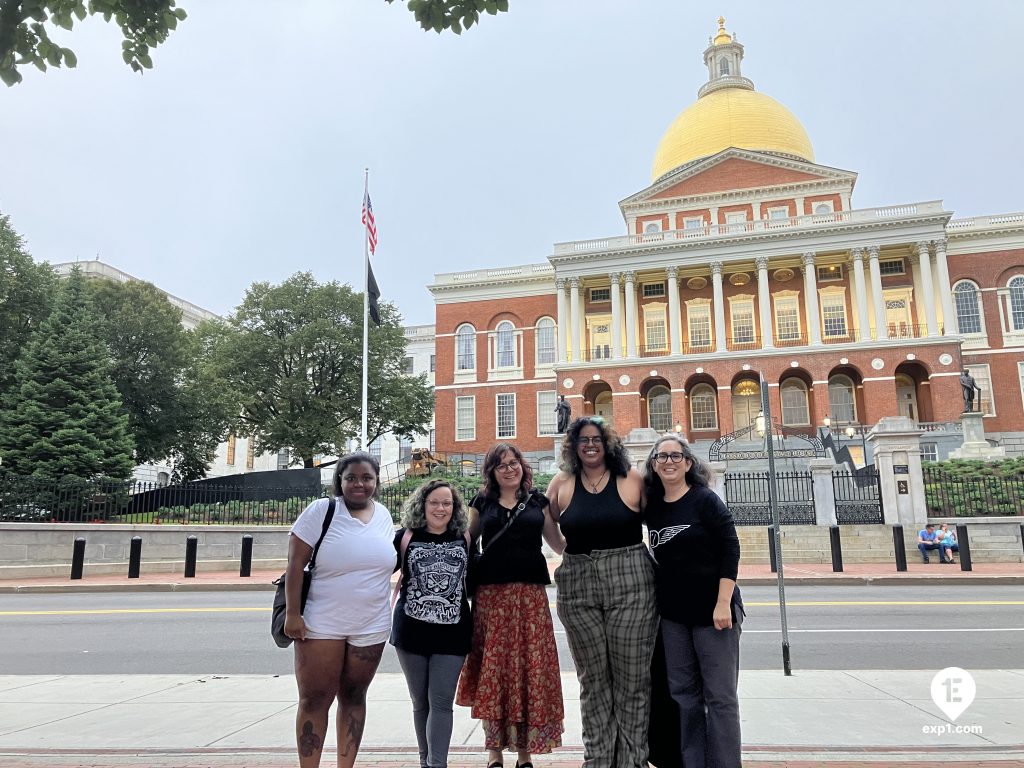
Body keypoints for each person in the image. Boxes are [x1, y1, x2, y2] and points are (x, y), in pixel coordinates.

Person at [547, 416, 658, 768]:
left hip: (630, 580)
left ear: (607, 443)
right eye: (582, 440)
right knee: (593, 680)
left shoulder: (631, 479)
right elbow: (548, 523)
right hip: (578, 583)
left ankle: (632, 761)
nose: (590, 445)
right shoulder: (562, 482)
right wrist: (566, 552)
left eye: (596, 439)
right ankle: (597, 759)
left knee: (631, 679)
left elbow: (659, 523)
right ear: (573, 446)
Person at [284, 451, 396, 768]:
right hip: (321, 624)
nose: (359, 484)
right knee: (315, 699)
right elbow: (295, 566)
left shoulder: (384, 516)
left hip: (371, 625)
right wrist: (293, 614)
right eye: (351, 478)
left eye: (366, 478)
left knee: (355, 696)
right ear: (340, 481)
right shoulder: (321, 511)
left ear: (376, 481)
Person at [456, 443, 565, 768]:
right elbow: (466, 541)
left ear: (522, 466)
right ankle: (493, 750)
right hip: (491, 599)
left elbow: (557, 542)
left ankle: (524, 752)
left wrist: (591, 552)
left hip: (529, 597)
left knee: (527, 671)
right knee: (495, 672)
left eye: (514, 462)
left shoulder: (537, 502)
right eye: (501, 464)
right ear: (492, 470)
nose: (509, 468)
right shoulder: (482, 502)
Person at [643, 435, 743, 768]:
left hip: (713, 613)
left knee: (720, 698)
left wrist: (723, 602)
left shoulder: (704, 500)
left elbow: (731, 548)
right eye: (661, 457)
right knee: (684, 697)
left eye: (676, 456)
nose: (668, 462)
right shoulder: (654, 508)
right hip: (673, 617)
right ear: (654, 465)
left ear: (688, 462)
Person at [391, 479, 474, 768]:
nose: (441, 508)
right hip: (410, 631)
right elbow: (373, 571)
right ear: (422, 505)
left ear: (455, 507)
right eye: (434, 502)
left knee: (441, 702)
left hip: (453, 633)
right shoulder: (405, 537)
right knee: (420, 703)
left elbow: (476, 580)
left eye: (447, 503)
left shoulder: (464, 537)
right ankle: (425, 761)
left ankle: (438, 764)